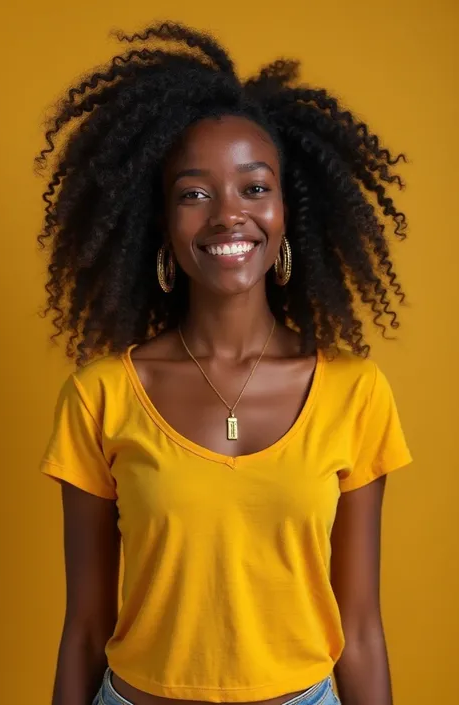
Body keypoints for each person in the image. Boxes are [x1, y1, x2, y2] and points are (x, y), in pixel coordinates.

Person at [37, 21, 412, 705]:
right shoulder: (101, 396)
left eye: (253, 187)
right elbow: (86, 625)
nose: (227, 216)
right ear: (159, 223)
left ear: (288, 213)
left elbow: (360, 626)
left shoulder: (355, 392)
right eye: (194, 193)